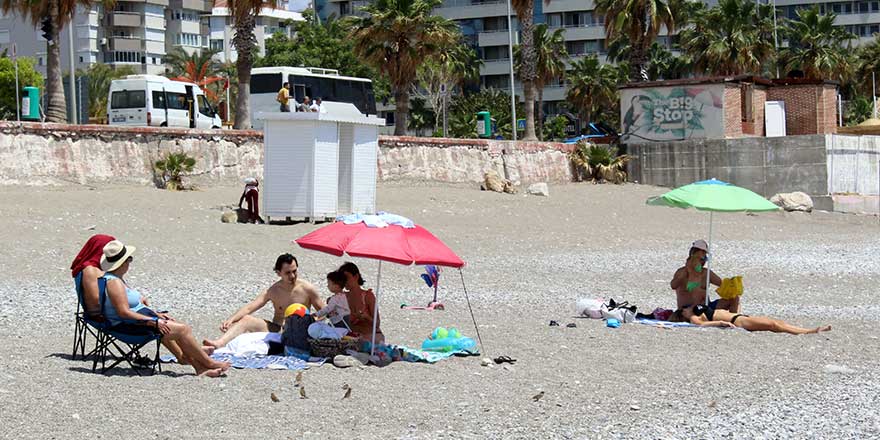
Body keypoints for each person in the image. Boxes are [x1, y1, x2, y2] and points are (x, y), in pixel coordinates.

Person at [100, 240, 230, 377]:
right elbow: (123, 312)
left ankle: (199, 368)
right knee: (183, 330)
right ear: (123, 262)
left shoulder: (114, 279)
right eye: (129, 259)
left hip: (137, 321)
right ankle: (209, 363)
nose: (130, 263)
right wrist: (152, 320)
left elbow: (130, 307)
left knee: (174, 326)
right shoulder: (114, 282)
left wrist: (155, 314)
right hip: (129, 326)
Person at [204, 254, 325, 348]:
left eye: (294, 271)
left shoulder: (307, 288)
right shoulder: (273, 290)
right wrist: (231, 319)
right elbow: (250, 307)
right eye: (288, 273)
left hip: (299, 331)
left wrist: (311, 321)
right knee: (246, 319)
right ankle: (219, 343)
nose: (292, 276)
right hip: (278, 329)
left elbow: (325, 311)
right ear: (278, 273)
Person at [670, 239, 741, 313]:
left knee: (735, 299)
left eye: (705, 258)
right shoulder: (682, 272)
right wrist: (683, 276)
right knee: (700, 294)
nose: (703, 261)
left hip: (706, 306)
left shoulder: (706, 273)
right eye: (701, 258)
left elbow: (722, 284)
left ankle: (735, 319)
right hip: (688, 308)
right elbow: (673, 285)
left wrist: (732, 284)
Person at [677, 304, 831, 335]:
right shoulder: (693, 318)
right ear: (683, 313)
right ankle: (810, 331)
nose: (688, 307)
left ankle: (807, 330)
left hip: (741, 317)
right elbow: (702, 325)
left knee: (777, 323)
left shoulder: (696, 312)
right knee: (773, 324)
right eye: (685, 308)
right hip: (739, 321)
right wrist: (721, 323)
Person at [71, 234, 117, 317]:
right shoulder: (90, 269)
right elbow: (96, 298)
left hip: (109, 310)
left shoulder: (101, 267)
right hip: (101, 314)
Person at [339, 262, 383, 344]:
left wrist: (366, 317)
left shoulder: (367, 296)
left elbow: (377, 324)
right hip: (352, 337)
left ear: (356, 277)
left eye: (346, 278)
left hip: (371, 336)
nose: (344, 281)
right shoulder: (343, 297)